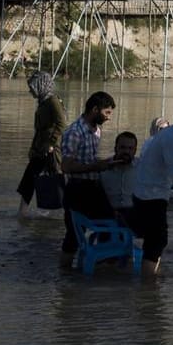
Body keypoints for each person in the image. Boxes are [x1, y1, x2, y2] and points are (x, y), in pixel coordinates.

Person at [58, 91, 125, 264]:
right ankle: (64, 277)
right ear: (95, 110)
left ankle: (100, 262)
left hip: (93, 187)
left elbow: (89, 159)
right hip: (77, 189)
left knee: (110, 224)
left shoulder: (96, 131)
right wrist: (96, 166)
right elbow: (66, 166)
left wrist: (108, 162)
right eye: (107, 113)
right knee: (73, 234)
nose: (109, 118)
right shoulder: (74, 132)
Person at [129, 106, 173, 277]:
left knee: (155, 241)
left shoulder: (168, 136)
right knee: (156, 241)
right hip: (151, 198)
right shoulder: (171, 138)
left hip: (146, 195)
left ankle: (150, 281)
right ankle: (148, 288)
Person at [16, 71, 66, 218]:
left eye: (32, 87)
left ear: (40, 85)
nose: (30, 90)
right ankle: (22, 212)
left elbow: (62, 123)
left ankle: (60, 212)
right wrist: (32, 148)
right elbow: (39, 130)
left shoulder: (53, 101)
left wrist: (51, 144)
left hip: (50, 150)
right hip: (39, 148)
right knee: (29, 179)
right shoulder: (43, 102)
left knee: (55, 180)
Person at [101, 131, 141, 226]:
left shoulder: (142, 168)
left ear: (135, 151)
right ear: (115, 148)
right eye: (122, 148)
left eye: (130, 148)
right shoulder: (103, 168)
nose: (126, 152)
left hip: (134, 215)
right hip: (108, 215)